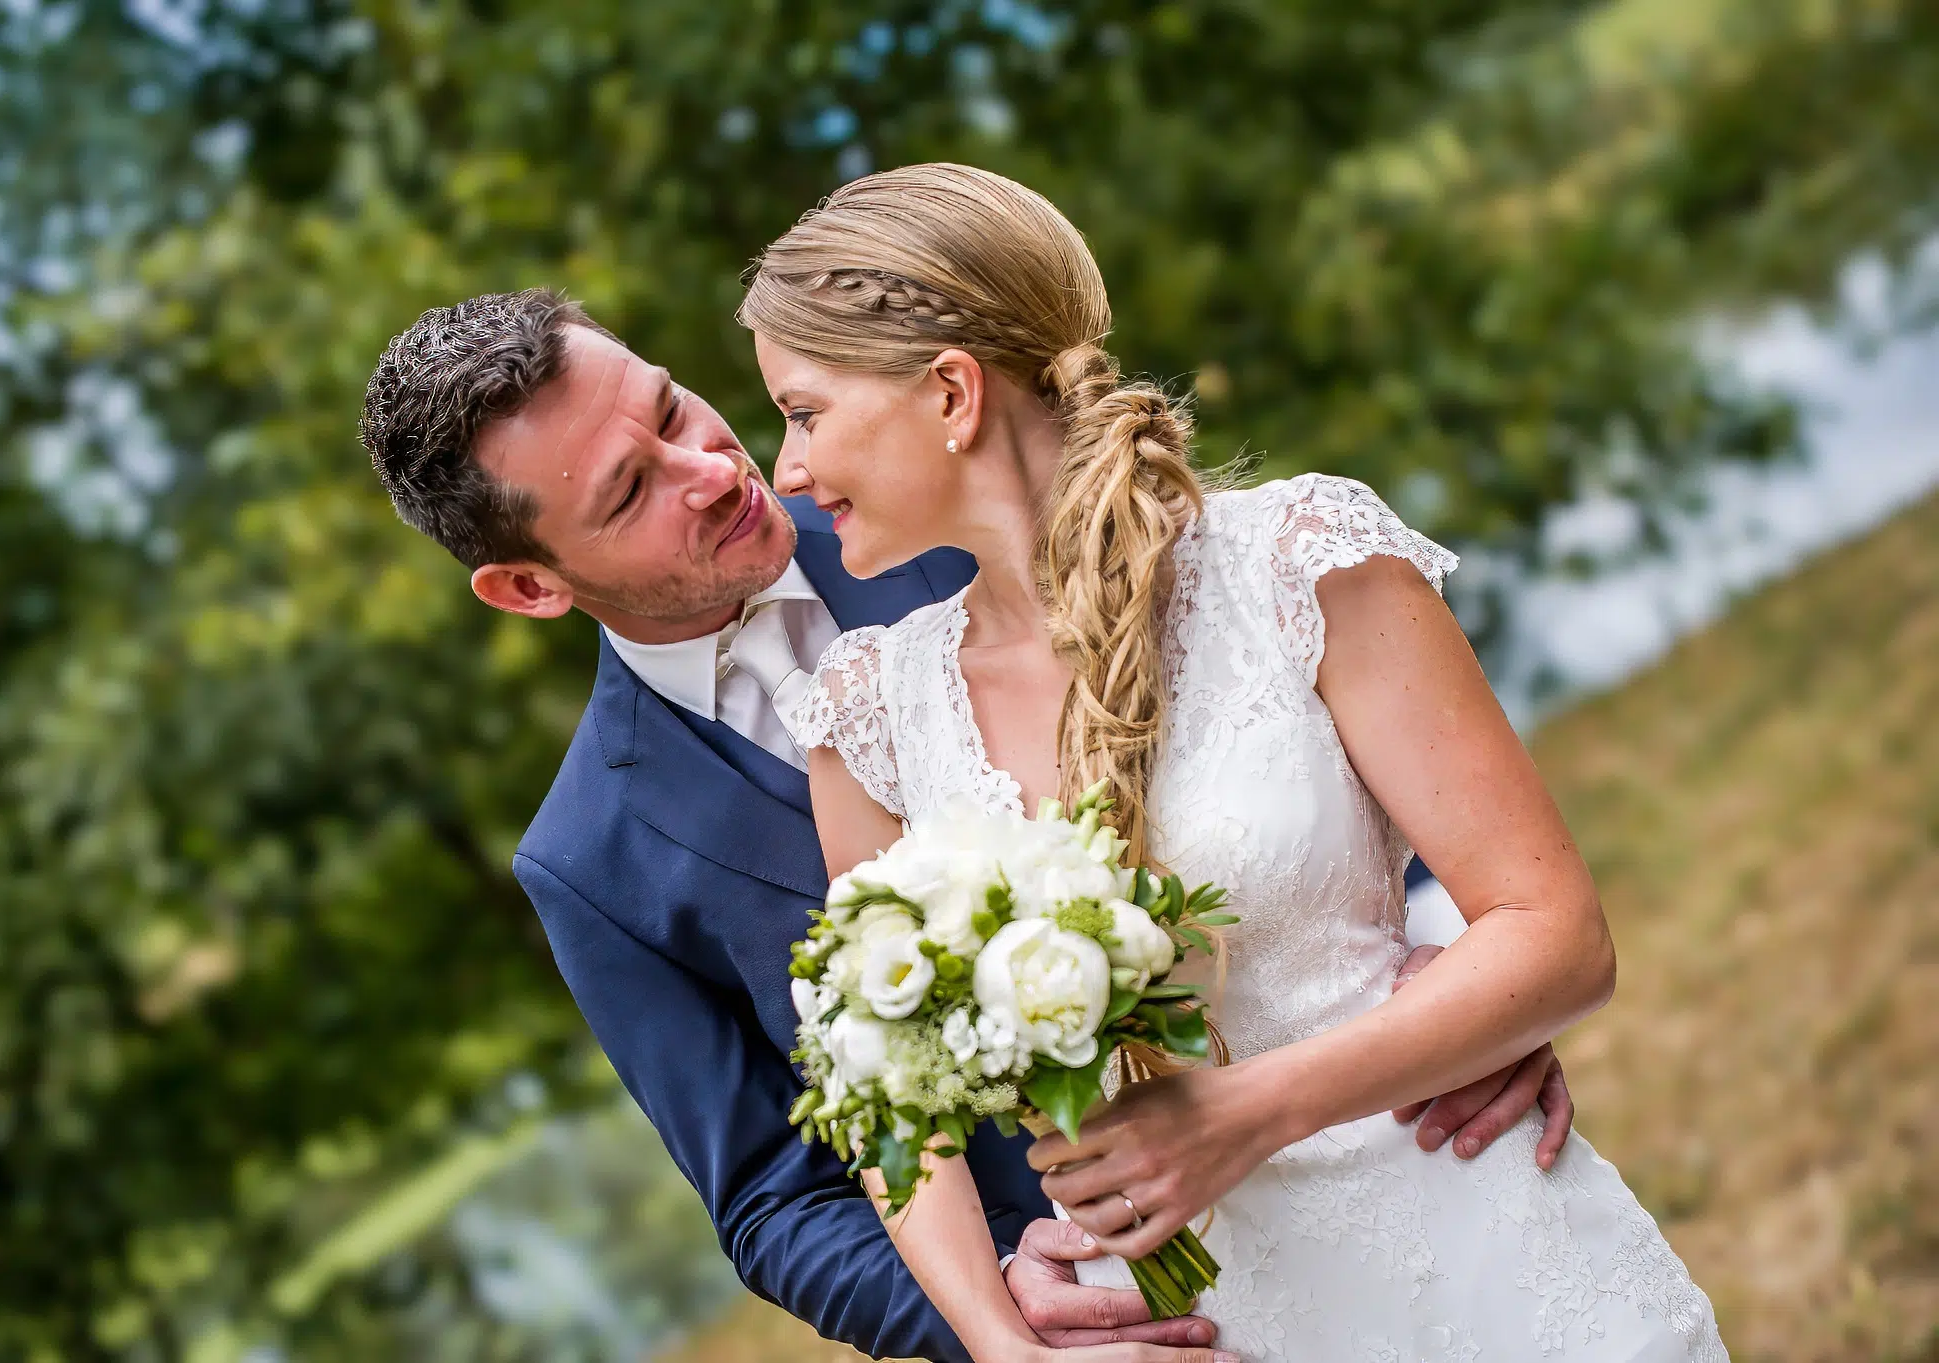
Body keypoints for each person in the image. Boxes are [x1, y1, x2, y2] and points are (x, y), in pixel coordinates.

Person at [358, 288, 1575, 1363]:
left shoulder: (959, 498)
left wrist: (1461, 989)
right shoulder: (589, 862)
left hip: (1408, 1160)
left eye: (672, 410)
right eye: (631, 491)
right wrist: (996, 1314)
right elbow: (769, 1200)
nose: (716, 469)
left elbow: (1282, 719)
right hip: (1121, 1313)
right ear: (529, 586)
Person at [745, 164, 1726, 1362]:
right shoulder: (865, 718)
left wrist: (1243, 1112)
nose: (785, 470)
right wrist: (1002, 1347)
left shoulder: (1300, 564)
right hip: (1196, 1330)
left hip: (1485, 1269)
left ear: (951, 392)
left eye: (802, 413)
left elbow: (1556, 935)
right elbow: (897, 1106)